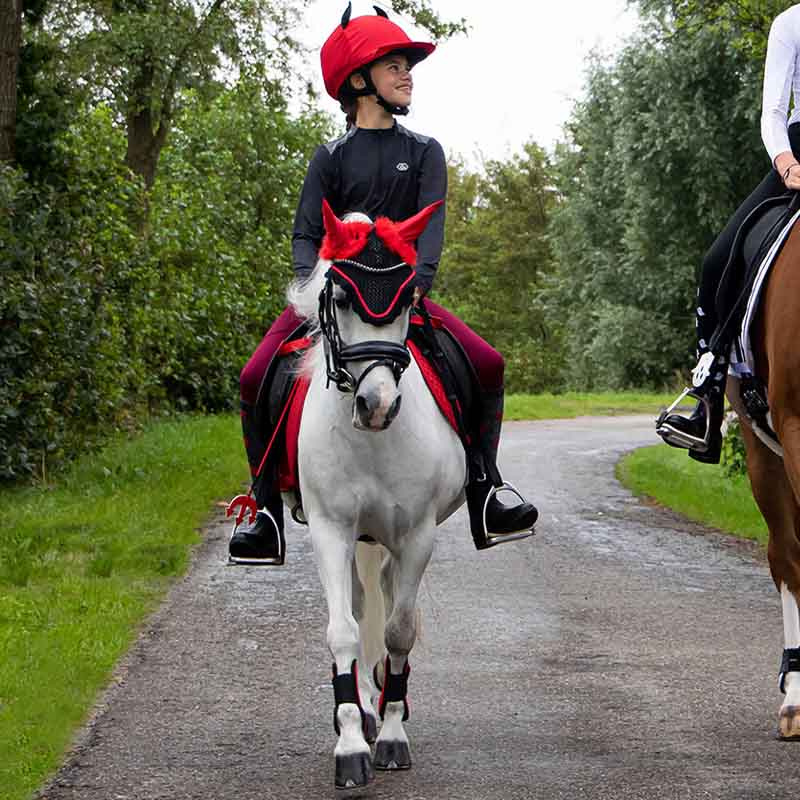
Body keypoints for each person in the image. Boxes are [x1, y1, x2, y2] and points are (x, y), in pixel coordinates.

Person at [229, 4, 538, 564]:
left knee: (488, 363)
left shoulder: (425, 152)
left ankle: (485, 487)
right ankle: (266, 509)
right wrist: (313, 285)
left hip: (401, 297)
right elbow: (305, 234)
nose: (406, 74)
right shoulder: (330, 158)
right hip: (337, 298)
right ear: (357, 80)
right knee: (254, 376)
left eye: (407, 66)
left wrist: (419, 282)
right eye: (393, 65)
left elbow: (432, 227)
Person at [657, 3, 800, 463]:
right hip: (799, 155)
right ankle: (707, 395)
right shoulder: (790, 24)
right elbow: (774, 112)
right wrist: (788, 163)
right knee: (717, 260)